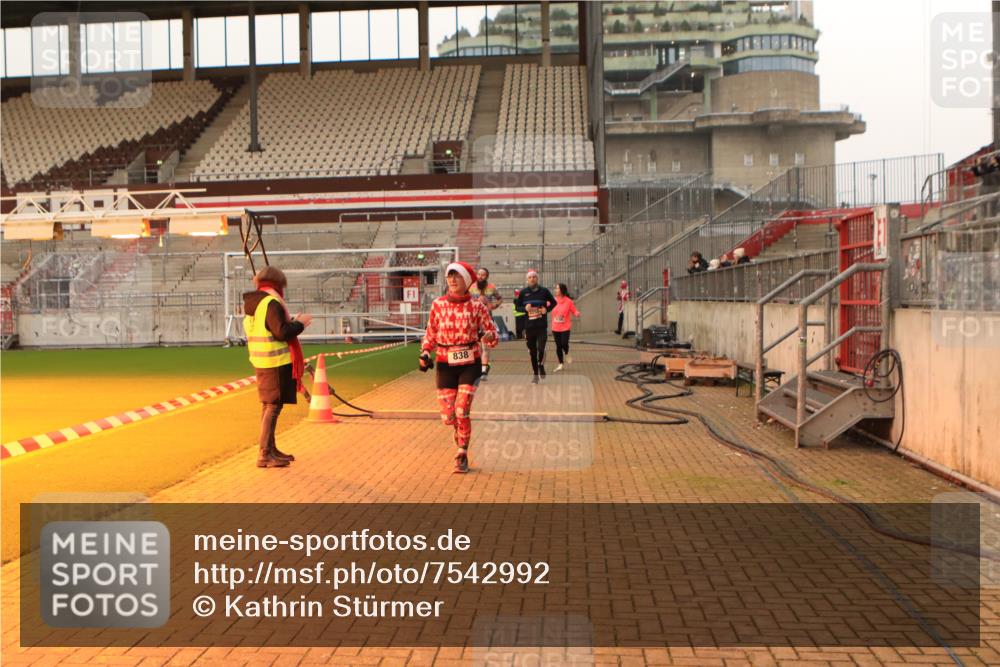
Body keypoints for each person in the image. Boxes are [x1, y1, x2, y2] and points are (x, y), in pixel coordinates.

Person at [420, 261, 498, 473]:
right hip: (445, 364)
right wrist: (425, 352)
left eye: (457, 276)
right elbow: (431, 333)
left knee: (462, 409)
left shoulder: (477, 306)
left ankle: (462, 453)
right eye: (450, 276)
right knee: (449, 416)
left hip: (469, 364)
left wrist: (489, 337)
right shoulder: (438, 305)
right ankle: (460, 432)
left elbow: (492, 334)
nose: (453, 280)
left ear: (467, 281)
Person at [243, 266, 313, 469]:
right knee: (273, 407)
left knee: (269, 406)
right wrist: (300, 324)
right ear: (277, 284)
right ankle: (265, 453)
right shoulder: (270, 303)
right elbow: (281, 332)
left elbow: (270, 329)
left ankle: (270, 449)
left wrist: (292, 323)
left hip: (262, 361)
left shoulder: (254, 304)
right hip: (275, 362)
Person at [514, 269, 557, 384]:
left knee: (541, 349)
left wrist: (546, 309)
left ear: (537, 279)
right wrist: (524, 309)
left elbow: (554, 302)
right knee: (532, 352)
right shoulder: (523, 293)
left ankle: (541, 365)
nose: (532, 279)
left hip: (541, 326)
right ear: (527, 280)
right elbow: (517, 307)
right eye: (530, 277)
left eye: (534, 277)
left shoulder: (544, 291)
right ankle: (535, 374)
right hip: (529, 327)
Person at [468, 267, 502, 379]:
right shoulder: (471, 287)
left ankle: (483, 371)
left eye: (483, 275)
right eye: (478, 274)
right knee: (476, 347)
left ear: (487, 276)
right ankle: (478, 368)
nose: (480, 276)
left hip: (487, 320)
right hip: (474, 320)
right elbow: (466, 300)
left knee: (485, 346)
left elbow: (500, 299)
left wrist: (494, 306)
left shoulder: (492, 287)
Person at [551, 283, 581, 372]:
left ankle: (567, 353)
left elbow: (574, 310)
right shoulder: (553, 300)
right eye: (555, 288)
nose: (555, 290)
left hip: (565, 327)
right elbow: (546, 306)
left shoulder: (568, 301)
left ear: (561, 290)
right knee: (558, 346)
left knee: (564, 343)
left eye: (557, 288)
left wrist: (576, 313)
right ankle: (560, 364)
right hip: (555, 327)